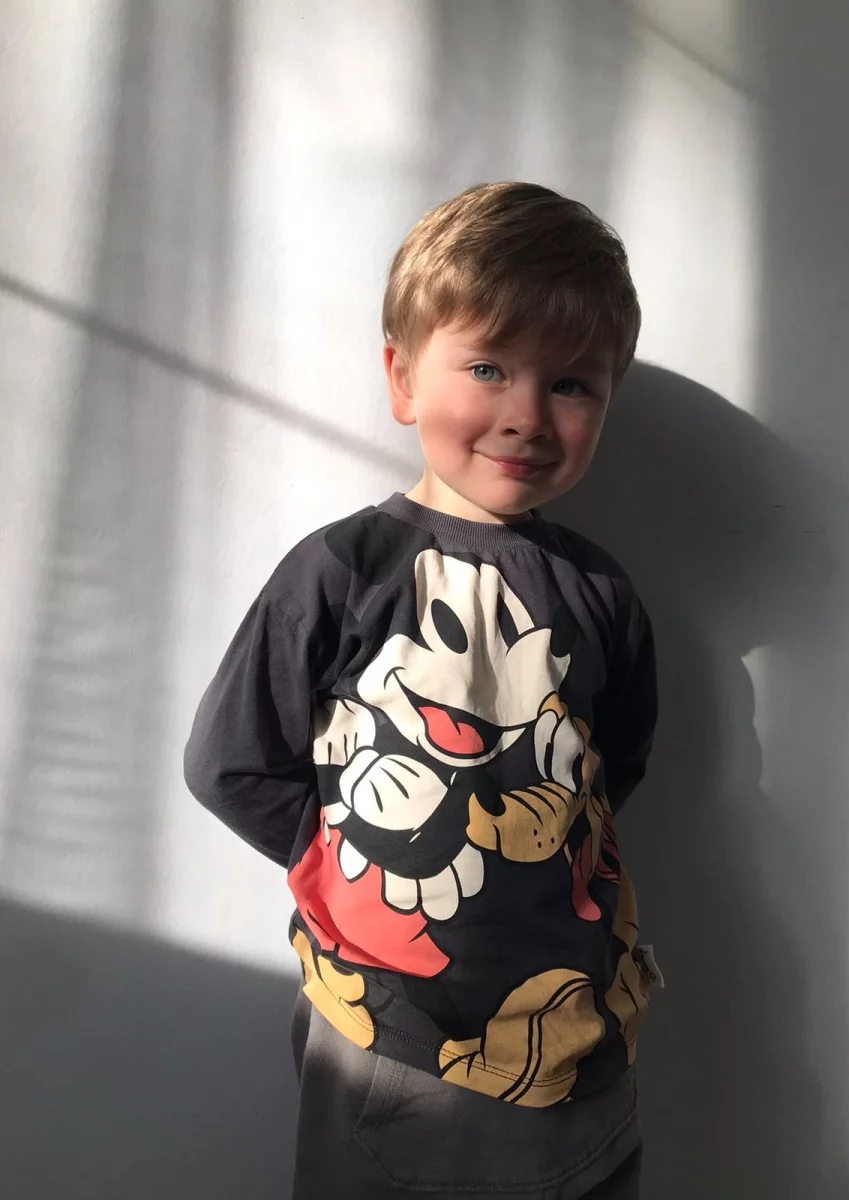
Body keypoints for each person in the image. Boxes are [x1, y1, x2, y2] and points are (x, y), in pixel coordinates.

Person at [184, 181, 659, 1199]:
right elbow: (231, 764)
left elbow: (613, 767)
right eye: (488, 368)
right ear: (402, 377)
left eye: (571, 385)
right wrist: (358, 859)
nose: (526, 416)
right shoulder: (343, 571)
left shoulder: (604, 593)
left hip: (580, 1032)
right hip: (391, 1036)